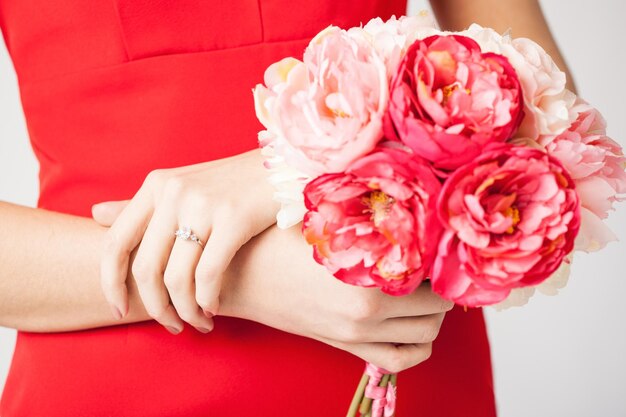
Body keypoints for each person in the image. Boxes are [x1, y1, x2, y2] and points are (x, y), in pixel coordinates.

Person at [0, 0, 574, 415]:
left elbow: (550, 115)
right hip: (109, 388)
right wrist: (241, 277)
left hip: (393, 370)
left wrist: (275, 169)